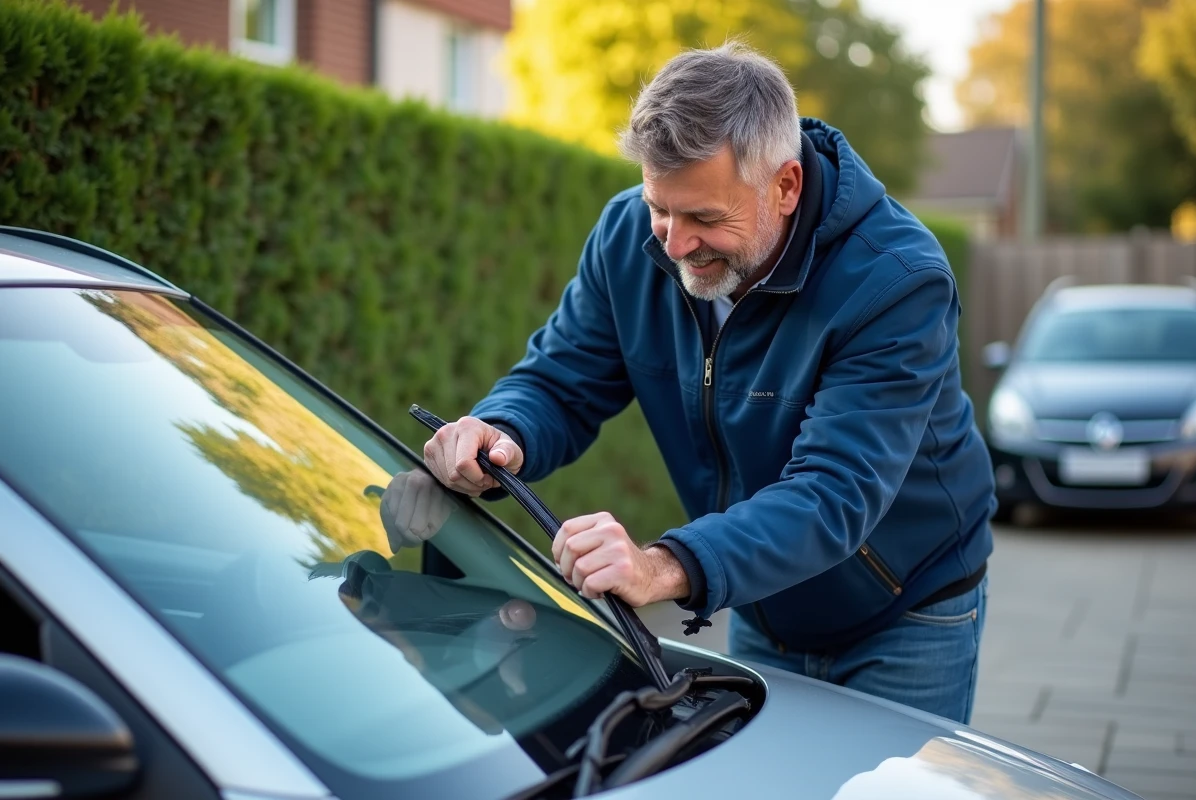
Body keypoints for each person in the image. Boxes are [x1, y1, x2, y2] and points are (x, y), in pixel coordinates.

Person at [381, 42, 996, 724]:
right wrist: (503, 433)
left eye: (704, 218)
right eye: (659, 208)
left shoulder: (897, 279)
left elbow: (834, 492)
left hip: (906, 608)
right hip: (764, 594)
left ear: (785, 186)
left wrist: (664, 566)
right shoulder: (626, 238)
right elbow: (561, 379)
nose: (672, 245)